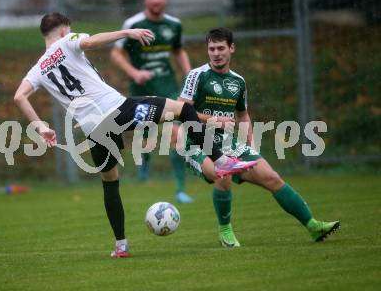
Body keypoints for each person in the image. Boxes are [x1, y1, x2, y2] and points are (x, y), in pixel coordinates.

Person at [14, 13, 257, 258]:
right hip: (118, 110)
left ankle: (121, 245)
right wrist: (126, 33)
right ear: (65, 31)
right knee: (184, 109)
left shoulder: (39, 68)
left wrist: (41, 127)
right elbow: (89, 43)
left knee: (109, 182)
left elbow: (19, 97)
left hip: (94, 130)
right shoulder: (67, 41)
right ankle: (219, 159)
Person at [178, 27, 340, 248]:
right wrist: (213, 120)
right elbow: (181, 111)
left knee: (272, 177)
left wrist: (250, 147)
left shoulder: (239, 82)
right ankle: (225, 232)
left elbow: (243, 115)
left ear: (231, 48)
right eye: (212, 48)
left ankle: (313, 226)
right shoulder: (197, 75)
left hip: (228, 143)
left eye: (221, 48)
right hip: (196, 142)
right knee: (222, 174)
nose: (216, 53)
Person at [110, 0, 193, 203]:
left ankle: (181, 188)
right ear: (145, 0)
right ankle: (144, 166)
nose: (156, 0)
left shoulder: (174, 25)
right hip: (141, 91)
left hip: (167, 87)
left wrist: (190, 75)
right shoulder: (133, 24)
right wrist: (134, 72)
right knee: (146, 137)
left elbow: (179, 51)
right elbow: (116, 55)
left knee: (176, 134)